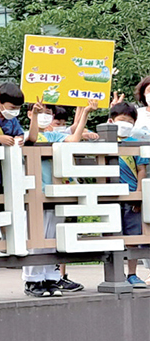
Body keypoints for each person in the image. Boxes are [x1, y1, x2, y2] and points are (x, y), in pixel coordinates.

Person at [20, 97, 96, 298]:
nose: (45, 115)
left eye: (48, 112)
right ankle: (33, 280)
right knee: (37, 236)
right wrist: (35, 117)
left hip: (57, 192)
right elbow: (32, 139)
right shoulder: (25, 133)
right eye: (39, 111)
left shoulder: (55, 135)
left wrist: (86, 112)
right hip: (36, 192)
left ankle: (51, 278)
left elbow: (73, 139)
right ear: (29, 113)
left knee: (53, 237)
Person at [108, 99, 147, 287]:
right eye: (122, 120)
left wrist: (139, 195)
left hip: (131, 197)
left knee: (132, 237)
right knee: (112, 238)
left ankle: (132, 273)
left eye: (130, 122)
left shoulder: (135, 144)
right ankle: (115, 274)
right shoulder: (104, 142)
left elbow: (141, 170)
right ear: (112, 120)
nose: (125, 125)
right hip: (110, 198)